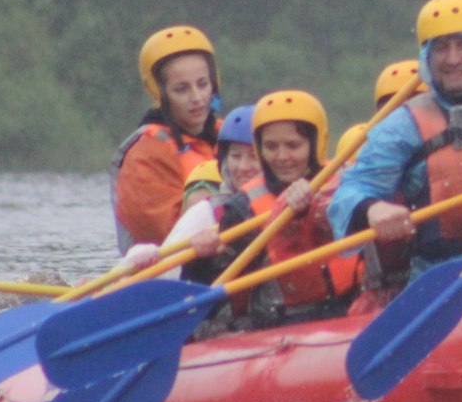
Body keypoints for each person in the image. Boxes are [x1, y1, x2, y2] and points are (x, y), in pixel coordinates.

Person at [329, 0, 462, 283]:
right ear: (426, 56)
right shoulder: (403, 125)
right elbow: (349, 192)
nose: (453, 59)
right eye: (441, 48)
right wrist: (373, 208)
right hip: (443, 276)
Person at [235, 89, 357, 324]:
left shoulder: (347, 180)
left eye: (293, 145)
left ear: (316, 144)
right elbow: (234, 296)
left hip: (350, 306)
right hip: (283, 324)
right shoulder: (242, 207)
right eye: (270, 147)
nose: (281, 157)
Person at [112, 25, 222, 251]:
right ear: (160, 93)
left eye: (203, 84)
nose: (197, 97)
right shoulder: (146, 155)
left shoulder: (231, 135)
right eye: (181, 89)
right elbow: (171, 235)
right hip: (178, 272)